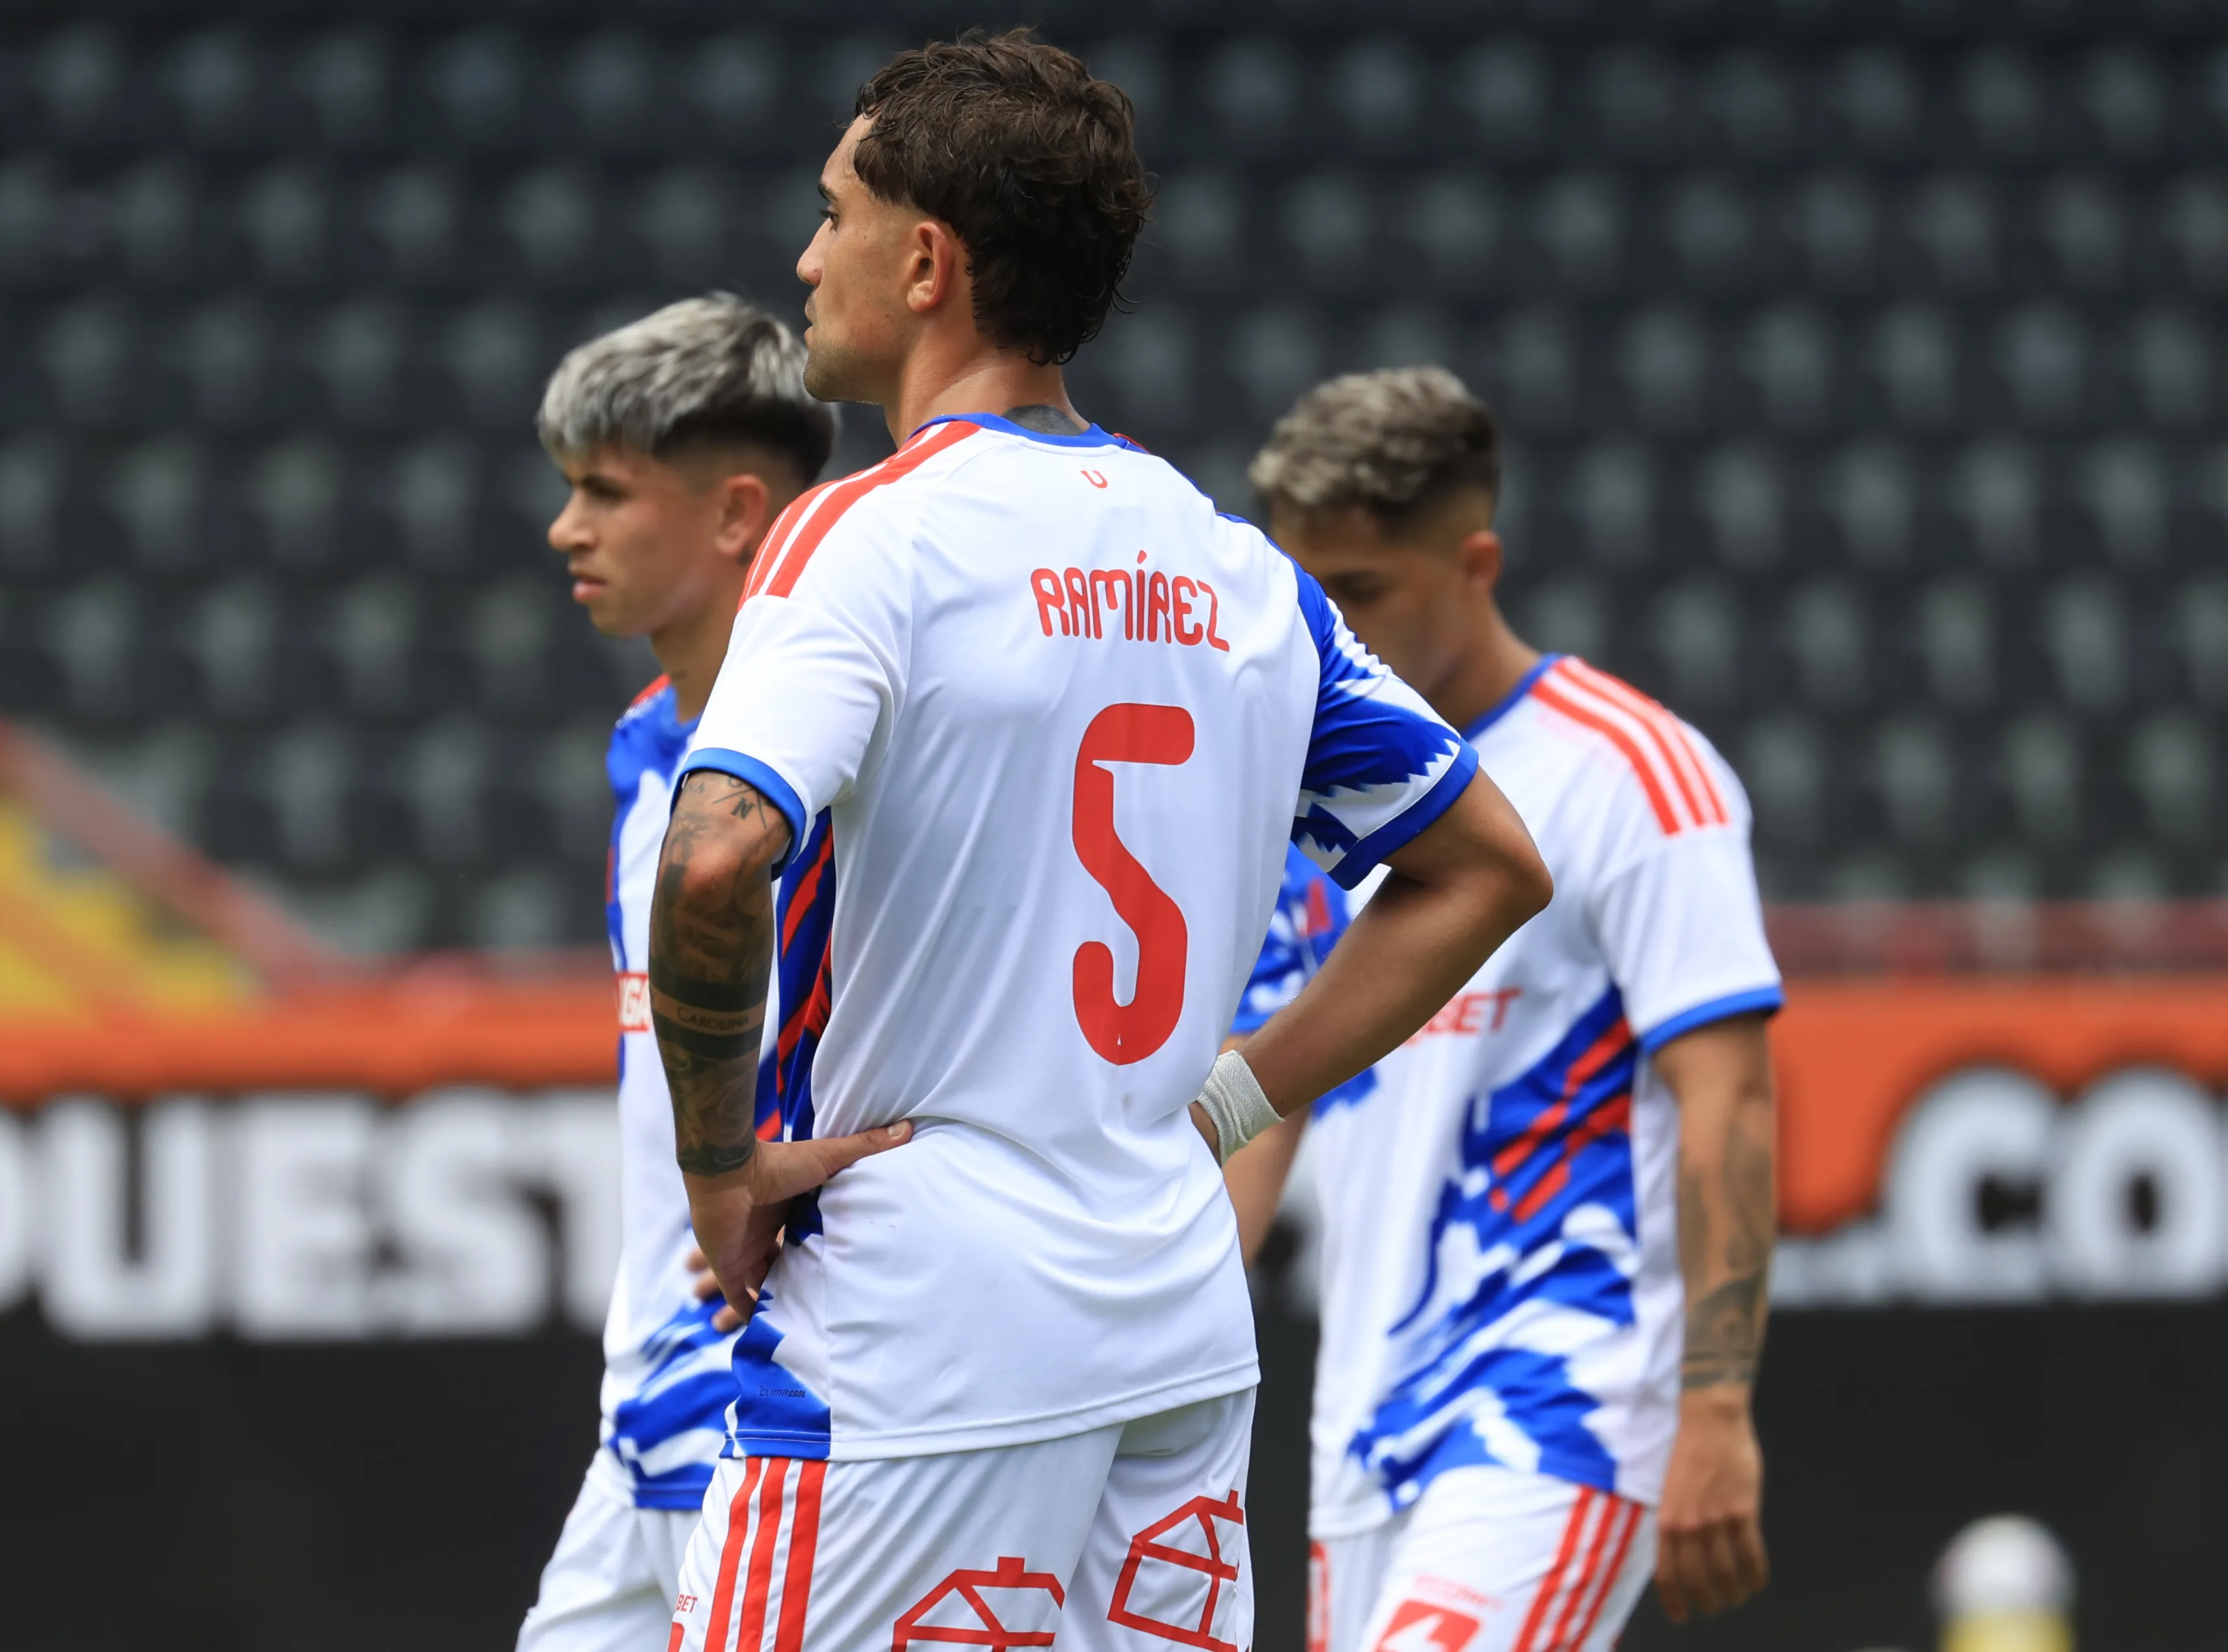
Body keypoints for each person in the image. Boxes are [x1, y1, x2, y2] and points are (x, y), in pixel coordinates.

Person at [645, 34, 1552, 1652]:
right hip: (1170, 1322)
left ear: (926, 263)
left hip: (915, 1330)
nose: (804, 257)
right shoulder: (1235, 570)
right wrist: (1230, 1100)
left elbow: (713, 856)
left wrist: (719, 1171)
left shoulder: (867, 535)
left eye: (833, 213)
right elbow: (1487, 865)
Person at [1230, 367, 1783, 1652]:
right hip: (1361, 1422)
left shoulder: (1635, 776)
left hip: (1560, 1403)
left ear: (1473, 563)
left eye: (1360, 590)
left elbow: (1730, 1100)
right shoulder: (1312, 802)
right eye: (1305, 594)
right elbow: (1260, 1101)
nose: (1326, 630)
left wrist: (1713, 1407)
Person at [514, 295, 837, 1652]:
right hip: (645, 1411)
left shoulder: (842, 767)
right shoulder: (647, 745)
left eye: (603, 492)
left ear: (735, 513)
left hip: (786, 1411)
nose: (564, 528)